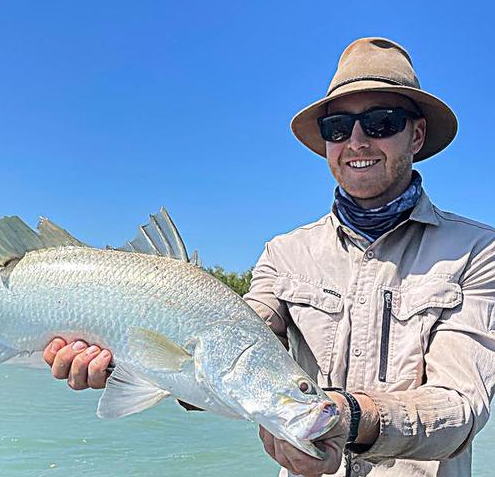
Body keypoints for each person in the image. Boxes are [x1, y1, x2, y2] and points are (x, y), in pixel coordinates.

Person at [42, 38, 495, 476]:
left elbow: (460, 405)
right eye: (337, 127)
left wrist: (348, 418)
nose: (356, 141)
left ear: (416, 135)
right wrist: (129, 359)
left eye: (381, 122)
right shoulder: (284, 253)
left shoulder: (478, 251)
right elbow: (241, 339)